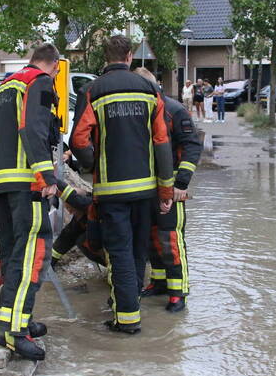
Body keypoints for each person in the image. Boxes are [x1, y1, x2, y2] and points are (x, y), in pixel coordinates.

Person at [71, 35, 174, 334]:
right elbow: (162, 142)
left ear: (106, 57)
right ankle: (131, 311)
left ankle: (126, 320)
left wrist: (91, 162)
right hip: (146, 191)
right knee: (139, 250)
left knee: (119, 253)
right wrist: (165, 191)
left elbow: (78, 140)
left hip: (112, 192)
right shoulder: (150, 89)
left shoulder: (92, 90)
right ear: (130, 56)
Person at [0, 42, 61, 360]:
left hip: (3, 182)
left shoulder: (7, 84)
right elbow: (33, 128)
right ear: (54, 65)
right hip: (27, 183)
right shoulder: (40, 81)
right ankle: (16, 333)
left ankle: (8, 322)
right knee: (33, 255)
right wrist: (46, 176)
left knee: (13, 256)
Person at [134, 68, 201, 313]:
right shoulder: (140, 109)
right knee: (152, 237)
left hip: (171, 187)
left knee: (170, 239)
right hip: (146, 187)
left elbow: (192, 146)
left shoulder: (174, 110)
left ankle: (178, 291)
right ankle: (159, 282)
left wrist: (181, 183)